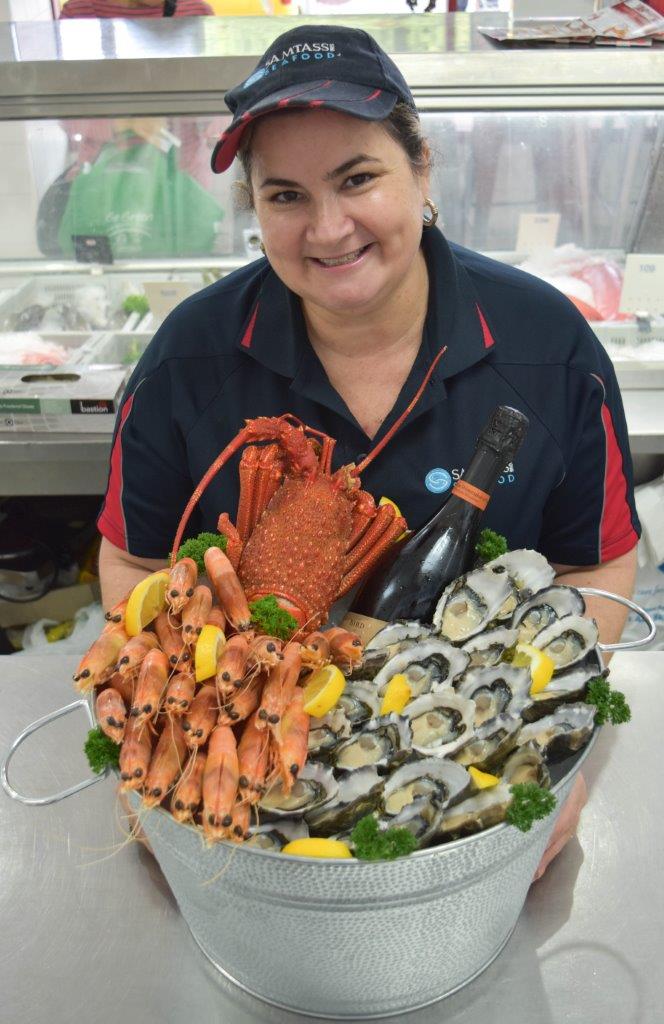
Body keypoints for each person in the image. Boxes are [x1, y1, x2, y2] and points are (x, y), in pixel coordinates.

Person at [97, 25, 640, 878]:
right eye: (284, 195)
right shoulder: (187, 357)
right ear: (255, 208)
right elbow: (131, 559)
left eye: (358, 178)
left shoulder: (549, 346)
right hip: (245, 771)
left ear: (421, 170)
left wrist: (535, 754)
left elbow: (597, 566)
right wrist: (165, 739)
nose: (328, 228)